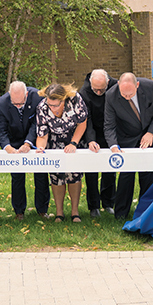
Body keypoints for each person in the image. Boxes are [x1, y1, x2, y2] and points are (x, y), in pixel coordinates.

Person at [104, 72, 153, 220]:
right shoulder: (111, 95)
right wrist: (113, 145)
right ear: (118, 85)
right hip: (127, 137)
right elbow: (109, 125)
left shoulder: (149, 86)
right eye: (124, 94)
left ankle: (146, 211)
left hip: (150, 136)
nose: (127, 97)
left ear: (137, 85)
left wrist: (151, 132)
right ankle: (121, 213)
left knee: (148, 176)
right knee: (126, 176)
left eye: (130, 93)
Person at [0, 81, 50, 220]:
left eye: (21, 103)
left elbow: (37, 123)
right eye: (15, 104)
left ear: (26, 94)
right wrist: (7, 147)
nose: (18, 106)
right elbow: (1, 129)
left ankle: (42, 210)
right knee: (17, 177)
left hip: (35, 139)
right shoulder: (2, 104)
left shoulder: (38, 98)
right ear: (9, 95)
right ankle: (19, 211)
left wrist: (28, 143)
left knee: (41, 175)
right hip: (14, 140)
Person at [35, 83, 88, 223]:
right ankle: (59, 213)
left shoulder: (75, 100)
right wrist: (40, 148)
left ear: (63, 100)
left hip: (73, 138)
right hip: (54, 141)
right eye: (50, 105)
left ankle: (75, 212)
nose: (52, 108)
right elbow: (42, 133)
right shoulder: (42, 107)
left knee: (74, 175)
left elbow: (82, 122)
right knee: (56, 177)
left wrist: (74, 143)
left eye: (56, 105)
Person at [79, 69, 118, 217]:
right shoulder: (84, 92)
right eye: (96, 89)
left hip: (111, 131)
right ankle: (93, 205)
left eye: (102, 89)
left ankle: (108, 203)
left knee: (110, 169)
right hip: (92, 131)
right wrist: (90, 140)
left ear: (108, 82)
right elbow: (86, 120)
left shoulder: (116, 85)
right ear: (90, 83)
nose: (99, 92)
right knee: (91, 171)